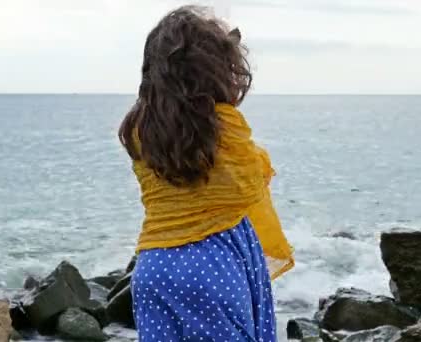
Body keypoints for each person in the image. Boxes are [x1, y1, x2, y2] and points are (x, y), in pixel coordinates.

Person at [118, 6, 294, 342]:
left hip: (152, 268)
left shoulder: (140, 127)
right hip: (213, 265)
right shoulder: (222, 124)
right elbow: (246, 186)